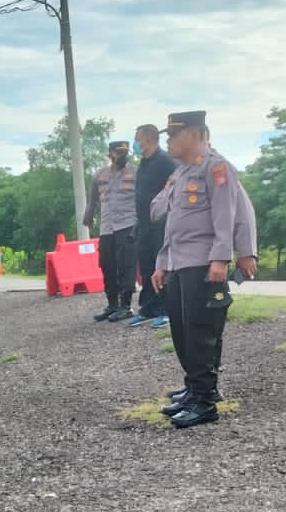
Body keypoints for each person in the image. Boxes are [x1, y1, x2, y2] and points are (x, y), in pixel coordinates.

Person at [150, 111, 256, 428]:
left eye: (173, 135)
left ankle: (205, 401)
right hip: (178, 262)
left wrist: (222, 258)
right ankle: (195, 389)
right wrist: (161, 263)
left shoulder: (217, 167)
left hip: (203, 262)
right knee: (183, 331)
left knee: (200, 333)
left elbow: (228, 215)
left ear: (194, 135)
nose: (168, 141)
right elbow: (165, 220)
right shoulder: (180, 173)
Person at [128, 124, 178, 329]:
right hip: (144, 223)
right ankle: (148, 308)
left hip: (161, 224)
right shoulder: (144, 163)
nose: (135, 144)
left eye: (137, 139)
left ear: (147, 140)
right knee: (147, 266)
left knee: (161, 266)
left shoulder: (165, 161)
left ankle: (166, 310)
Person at [83, 139, 139, 322]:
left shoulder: (135, 173)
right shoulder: (99, 175)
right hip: (107, 227)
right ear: (110, 155)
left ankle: (126, 306)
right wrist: (88, 217)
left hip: (127, 225)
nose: (122, 156)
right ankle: (112, 304)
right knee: (107, 266)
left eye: (125, 153)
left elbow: (143, 198)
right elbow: (92, 200)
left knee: (126, 266)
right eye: (118, 153)